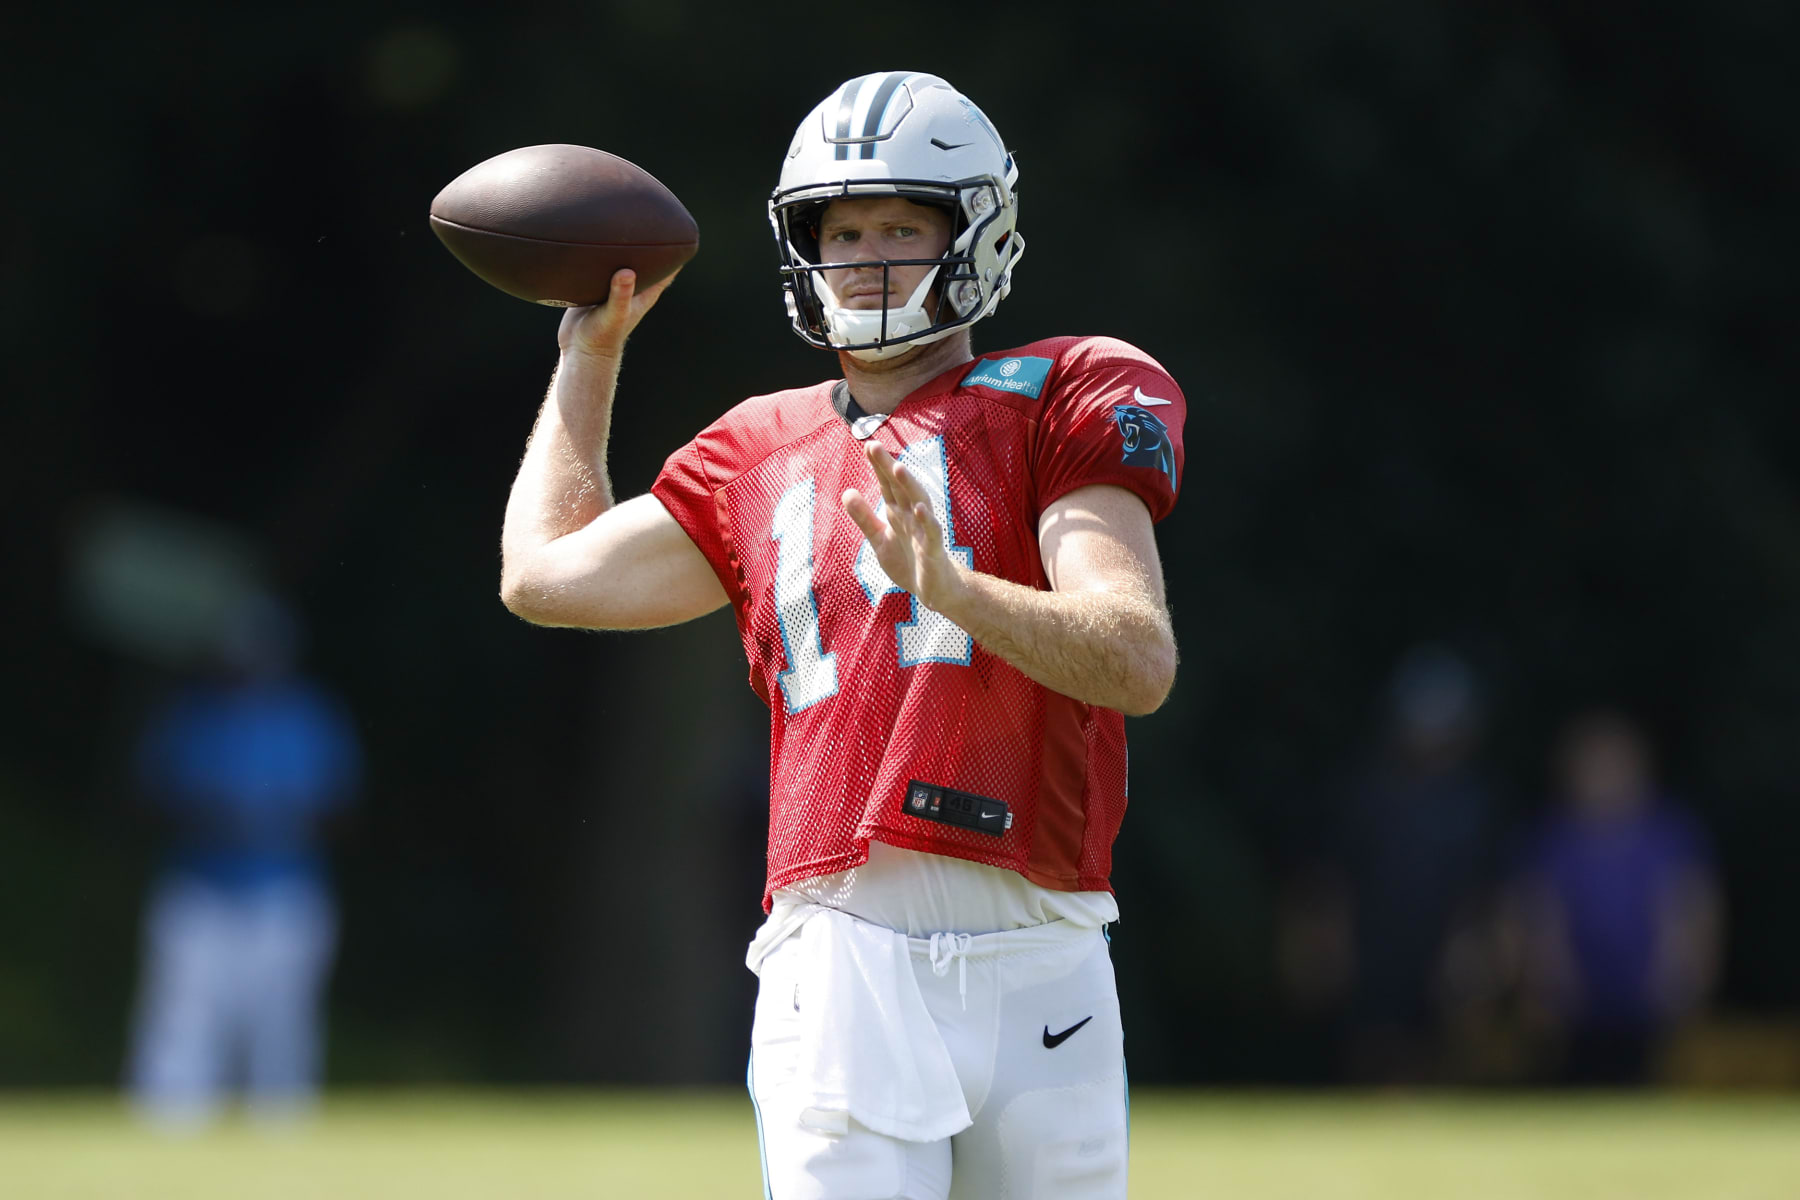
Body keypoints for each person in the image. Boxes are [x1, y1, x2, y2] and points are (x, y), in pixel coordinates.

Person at [500, 72, 1183, 1198]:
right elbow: (543, 575)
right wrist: (590, 356)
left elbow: (1136, 656)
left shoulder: (1063, 392)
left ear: (977, 234)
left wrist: (962, 592)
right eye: (843, 231)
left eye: (902, 229)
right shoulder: (757, 447)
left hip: (1043, 943)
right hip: (843, 951)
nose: (865, 259)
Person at [126, 595, 359, 1128]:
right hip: (199, 885)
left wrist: (274, 821)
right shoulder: (192, 713)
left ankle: (280, 1132)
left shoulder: (308, 715)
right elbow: (152, 798)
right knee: (181, 1017)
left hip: (285, 887)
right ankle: (168, 1130)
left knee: (283, 1023)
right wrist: (218, 816)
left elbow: (340, 809)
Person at [1507, 709, 1722, 1085]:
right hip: (1575, 1001)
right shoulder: (1553, 836)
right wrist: (1543, 979)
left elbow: (1693, 904)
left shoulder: (1669, 832)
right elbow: (1538, 912)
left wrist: (1687, 973)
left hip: (1647, 998)